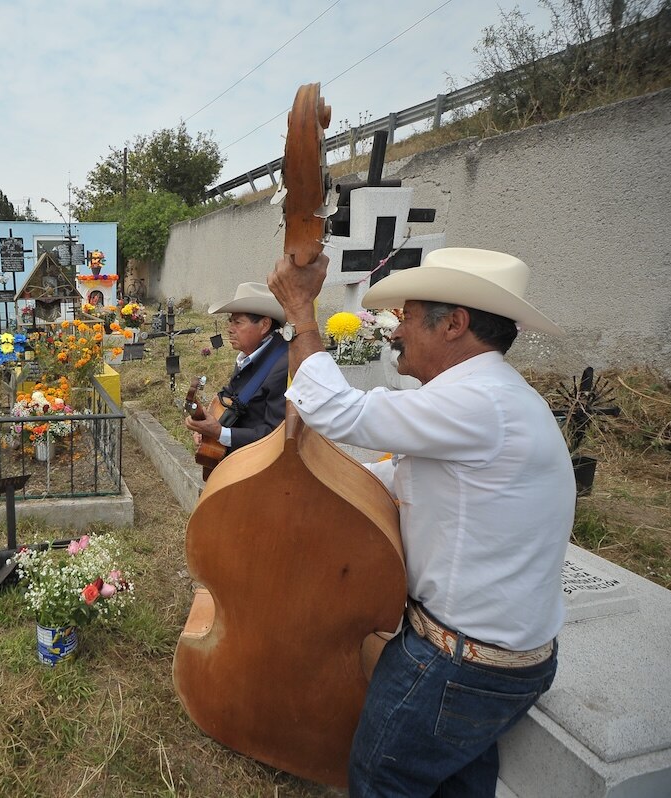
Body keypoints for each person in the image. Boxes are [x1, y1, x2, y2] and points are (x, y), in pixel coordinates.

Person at [267, 247, 574, 796]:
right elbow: (400, 483)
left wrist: (302, 312)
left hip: (459, 665)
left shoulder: (480, 402)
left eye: (406, 315)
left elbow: (339, 411)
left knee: (380, 779)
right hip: (494, 661)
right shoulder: (486, 398)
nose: (393, 329)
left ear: (455, 323)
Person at [184, 282, 289, 455]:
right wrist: (205, 426)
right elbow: (229, 397)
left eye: (238, 322)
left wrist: (220, 433)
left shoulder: (283, 365)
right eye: (230, 321)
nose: (230, 329)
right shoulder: (249, 355)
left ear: (264, 325)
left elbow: (276, 435)